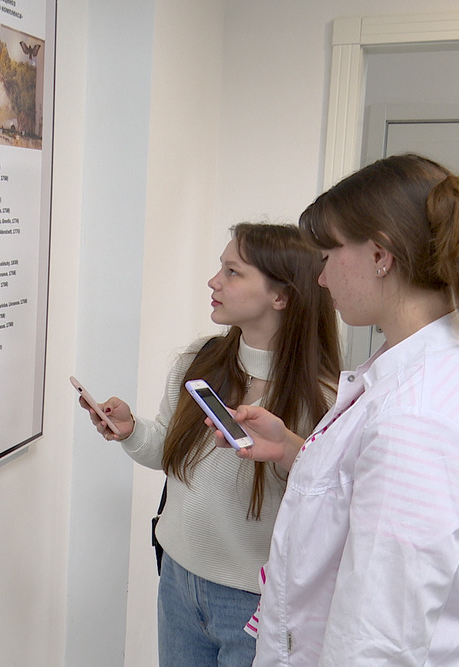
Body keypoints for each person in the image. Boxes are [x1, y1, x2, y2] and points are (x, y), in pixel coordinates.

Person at [217, 154, 459, 665]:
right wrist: (293, 450)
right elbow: (364, 490)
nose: (321, 279)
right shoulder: (404, 372)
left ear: (380, 255)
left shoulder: (412, 416)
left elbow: (375, 641)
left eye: (327, 256)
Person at [80, 223, 341, 666]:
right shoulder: (199, 359)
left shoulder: (323, 399)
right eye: (221, 268)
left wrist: (290, 451)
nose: (213, 281)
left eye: (232, 272)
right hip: (177, 579)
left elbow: (326, 504)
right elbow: (168, 451)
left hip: (253, 603)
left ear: (281, 296)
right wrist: (131, 430)